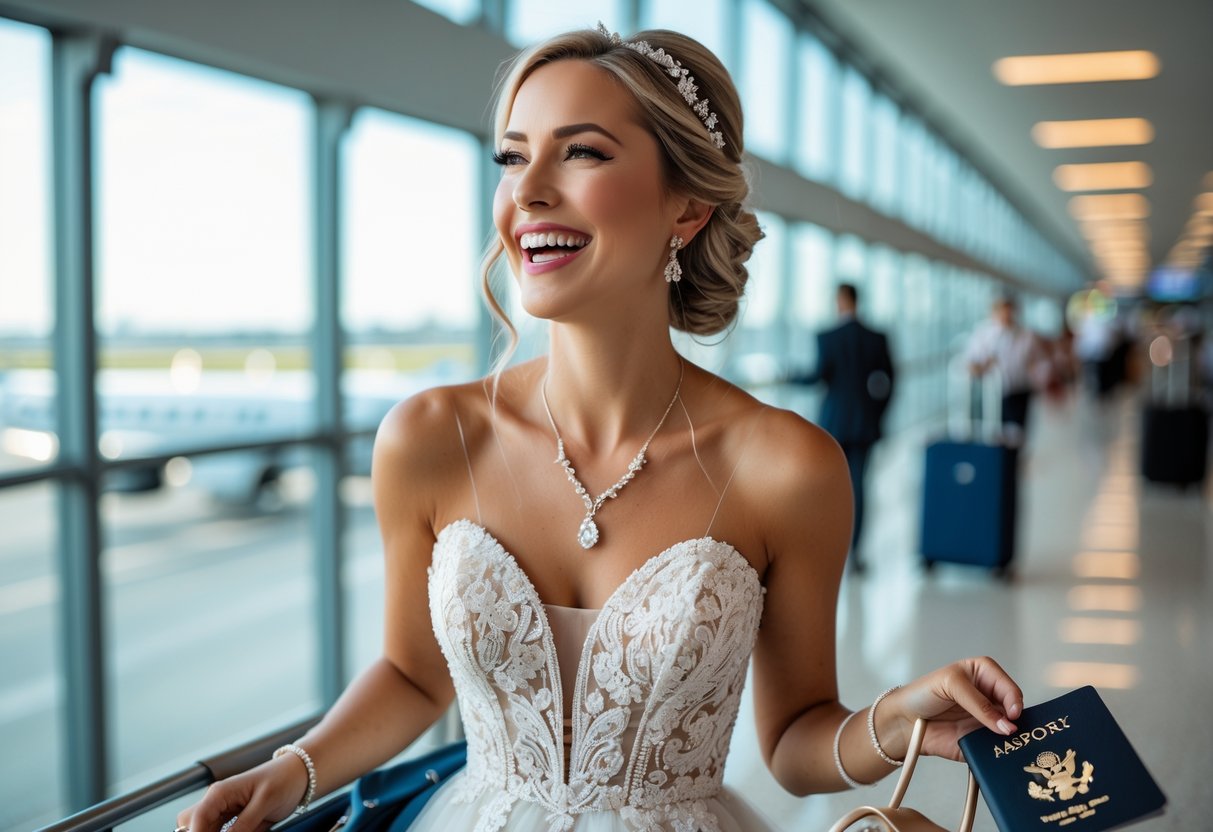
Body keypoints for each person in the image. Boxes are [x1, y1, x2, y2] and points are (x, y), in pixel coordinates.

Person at [178, 25, 1023, 832]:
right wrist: (289, 774)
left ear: (685, 208)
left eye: (580, 151)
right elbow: (410, 673)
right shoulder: (429, 437)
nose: (528, 189)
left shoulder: (785, 467)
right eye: (513, 157)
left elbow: (795, 738)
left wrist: (898, 720)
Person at [788, 283, 894, 573]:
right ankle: (857, 554)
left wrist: (790, 376)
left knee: (828, 487)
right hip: (864, 423)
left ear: (842, 301)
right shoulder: (876, 337)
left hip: (833, 422)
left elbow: (818, 376)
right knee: (859, 487)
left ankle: (827, 549)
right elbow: (889, 382)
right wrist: (877, 414)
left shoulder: (827, 336)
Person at [966, 294, 1049, 444]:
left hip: (1019, 392)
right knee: (993, 436)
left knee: (1017, 436)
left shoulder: (1026, 335)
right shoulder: (983, 334)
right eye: (1002, 311)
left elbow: (1038, 362)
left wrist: (1040, 380)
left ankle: (1013, 463)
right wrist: (984, 366)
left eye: (1009, 311)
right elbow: (971, 365)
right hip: (991, 394)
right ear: (994, 312)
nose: (1006, 316)